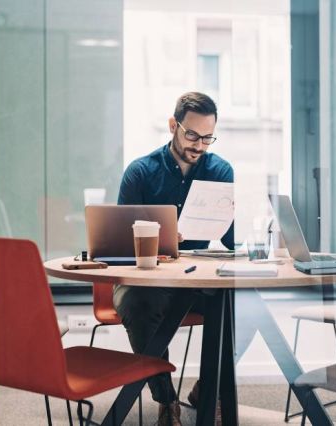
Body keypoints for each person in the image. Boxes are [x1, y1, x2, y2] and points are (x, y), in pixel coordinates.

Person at [114, 92, 234, 425]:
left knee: (243, 304)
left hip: (198, 280)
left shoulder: (220, 171)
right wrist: (156, 239)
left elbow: (229, 238)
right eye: (192, 135)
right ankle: (167, 400)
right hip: (149, 279)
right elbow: (120, 241)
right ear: (173, 126)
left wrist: (241, 219)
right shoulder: (139, 173)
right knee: (137, 302)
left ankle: (208, 389)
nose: (199, 145)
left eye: (207, 138)